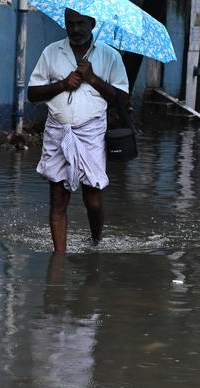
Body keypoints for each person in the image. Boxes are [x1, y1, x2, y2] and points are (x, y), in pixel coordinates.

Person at [27, 8, 129, 252]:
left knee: (92, 201)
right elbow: (32, 94)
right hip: (57, 131)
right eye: (69, 23)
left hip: (91, 133)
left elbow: (123, 100)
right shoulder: (51, 52)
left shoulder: (110, 56)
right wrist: (63, 84)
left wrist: (92, 78)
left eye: (81, 23)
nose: (74, 29)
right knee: (57, 200)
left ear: (92, 23)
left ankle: (95, 243)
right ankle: (58, 259)